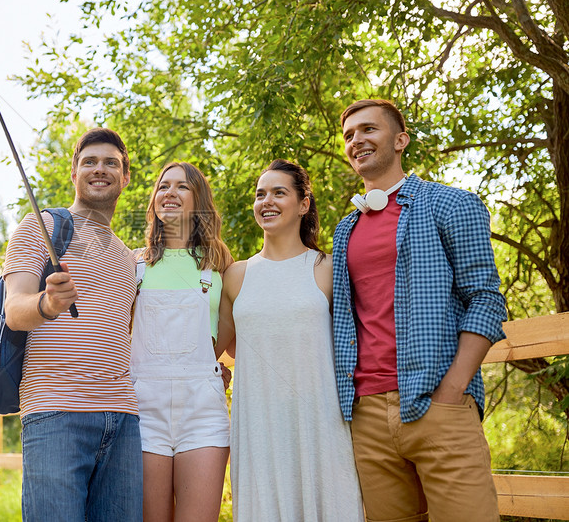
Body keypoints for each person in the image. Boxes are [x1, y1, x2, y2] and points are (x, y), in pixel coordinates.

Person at [333, 99, 507, 522]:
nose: (357, 140)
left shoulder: (449, 204)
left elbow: (485, 298)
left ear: (400, 140)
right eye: (349, 136)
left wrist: (452, 390)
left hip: (438, 404)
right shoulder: (345, 230)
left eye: (368, 130)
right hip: (366, 415)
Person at [2, 128, 141, 522]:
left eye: (111, 162)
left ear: (125, 176)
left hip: (124, 419)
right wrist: (47, 303)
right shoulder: (41, 227)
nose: (101, 169)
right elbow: (15, 309)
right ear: (74, 173)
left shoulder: (128, 258)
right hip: (55, 412)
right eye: (90, 162)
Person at [216, 159, 364, 522]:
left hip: (321, 423)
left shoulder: (327, 268)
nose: (266, 201)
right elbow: (212, 347)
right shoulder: (235, 276)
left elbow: (356, 341)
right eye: (260, 194)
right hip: (259, 426)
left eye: (279, 193)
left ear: (303, 204)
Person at [130, 162, 233, 522]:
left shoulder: (219, 264)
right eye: (163, 186)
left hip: (202, 411)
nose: (170, 193)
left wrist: (204, 368)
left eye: (182, 187)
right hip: (144, 409)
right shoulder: (135, 265)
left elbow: (231, 334)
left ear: (199, 200)